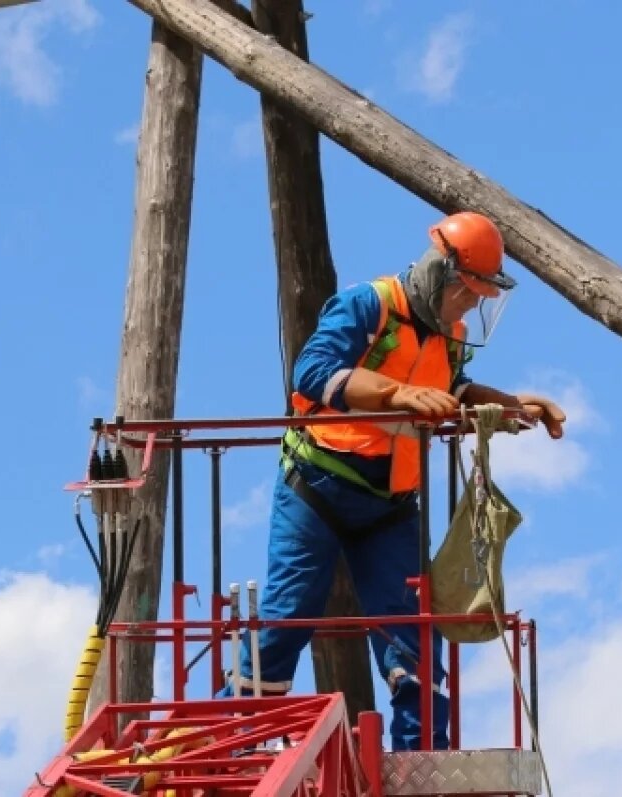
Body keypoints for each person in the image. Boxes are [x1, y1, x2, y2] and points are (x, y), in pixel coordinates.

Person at [218, 211, 567, 751]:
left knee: (413, 640)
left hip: (391, 504)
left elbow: (449, 386)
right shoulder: (368, 305)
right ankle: (229, 745)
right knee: (285, 622)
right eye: (468, 292)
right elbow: (311, 372)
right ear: (442, 274)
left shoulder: (448, 332)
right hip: (318, 487)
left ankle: (420, 760)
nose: (472, 305)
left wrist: (509, 405)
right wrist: (395, 396)